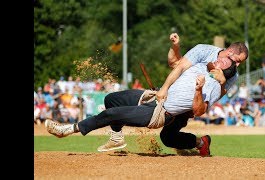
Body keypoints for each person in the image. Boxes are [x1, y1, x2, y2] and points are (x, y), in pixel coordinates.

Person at [45, 33, 248, 157]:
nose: (237, 66)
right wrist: (164, 88)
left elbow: (205, 105)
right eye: (236, 60)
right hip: (160, 96)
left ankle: (68, 129)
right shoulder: (205, 53)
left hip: (174, 109)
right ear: (228, 52)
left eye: (239, 63)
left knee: (166, 138)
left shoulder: (227, 76)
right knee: (111, 100)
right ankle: (116, 137)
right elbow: (176, 66)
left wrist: (213, 85)